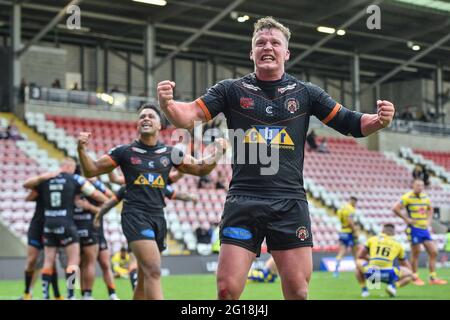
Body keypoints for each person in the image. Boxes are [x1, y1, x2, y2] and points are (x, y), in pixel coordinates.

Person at [157, 16, 395, 300]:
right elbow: (187, 117)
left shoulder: (306, 93)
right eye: (260, 42)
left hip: (289, 202)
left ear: (286, 52)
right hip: (243, 201)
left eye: (274, 42)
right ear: (251, 52)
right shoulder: (230, 90)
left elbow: (352, 123)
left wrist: (379, 120)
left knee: (298, 292)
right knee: (226, 290)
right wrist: (168, 105)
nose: (267, 46)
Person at [77, 104, 227, 300]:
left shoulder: (170, 153)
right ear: (137, 125)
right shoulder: (124, 152)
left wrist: (217, 151)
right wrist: (81, 150)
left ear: (159, 126)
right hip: (135, 215)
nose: (145, 118)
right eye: (142, 117)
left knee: (143, 278)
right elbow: (91, 170)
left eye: (150, 116)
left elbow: (200, 169)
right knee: (154, 271)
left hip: (158, 218)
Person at [22, 158, 108, 299]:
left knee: (48, 261)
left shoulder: (47, 179)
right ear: (70, 167)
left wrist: (42, 177)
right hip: (67, 224)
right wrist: (105, 200)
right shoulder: (74, 179)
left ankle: (45, 295)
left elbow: (26, 187)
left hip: (48, 225)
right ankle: (71, 294)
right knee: (73, 261)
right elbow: (97, 195)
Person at [392, 179, 447, 285]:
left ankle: (433, 278)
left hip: (424, 229)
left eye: (422, 185)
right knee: (416, 253)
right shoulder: (407, 197)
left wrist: (429, 221)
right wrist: (406, 219)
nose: (420, 187)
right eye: (418, 185)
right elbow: (395, 208)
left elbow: (430, 209)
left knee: (433, 252)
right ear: (413, 185)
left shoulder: (425, 197)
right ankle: (414, 277)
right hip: (414, 228)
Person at [20, 189, 62, 300]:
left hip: (55, 228)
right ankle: (27, 292)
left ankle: (57, 295)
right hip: (37, 228)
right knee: (32, 261)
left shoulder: (65, 188)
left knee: (53, 263)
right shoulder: (44, 186)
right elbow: (28, 197)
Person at [355, 224, 414, 298]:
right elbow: (404, 263)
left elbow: (360, 255)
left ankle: (364, 291)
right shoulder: (398, 245)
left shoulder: (372, 239)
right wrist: (413, 275)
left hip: (372, 274)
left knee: (358, 263)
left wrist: (372, 259)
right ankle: (392, 286)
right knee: (410, 274)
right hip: (389, 275)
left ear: (382, 231)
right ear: (394, 233)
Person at [334, 197, 359, 278]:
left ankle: (336, 270)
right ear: (353, 202)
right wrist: (355, 231)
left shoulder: (342, 208)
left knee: (342, 252)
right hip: (349, 232)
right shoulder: (350, 209)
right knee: (355, 252)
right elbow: (350, 221)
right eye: (355, 203)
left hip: (342, 231)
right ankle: (358, 270)